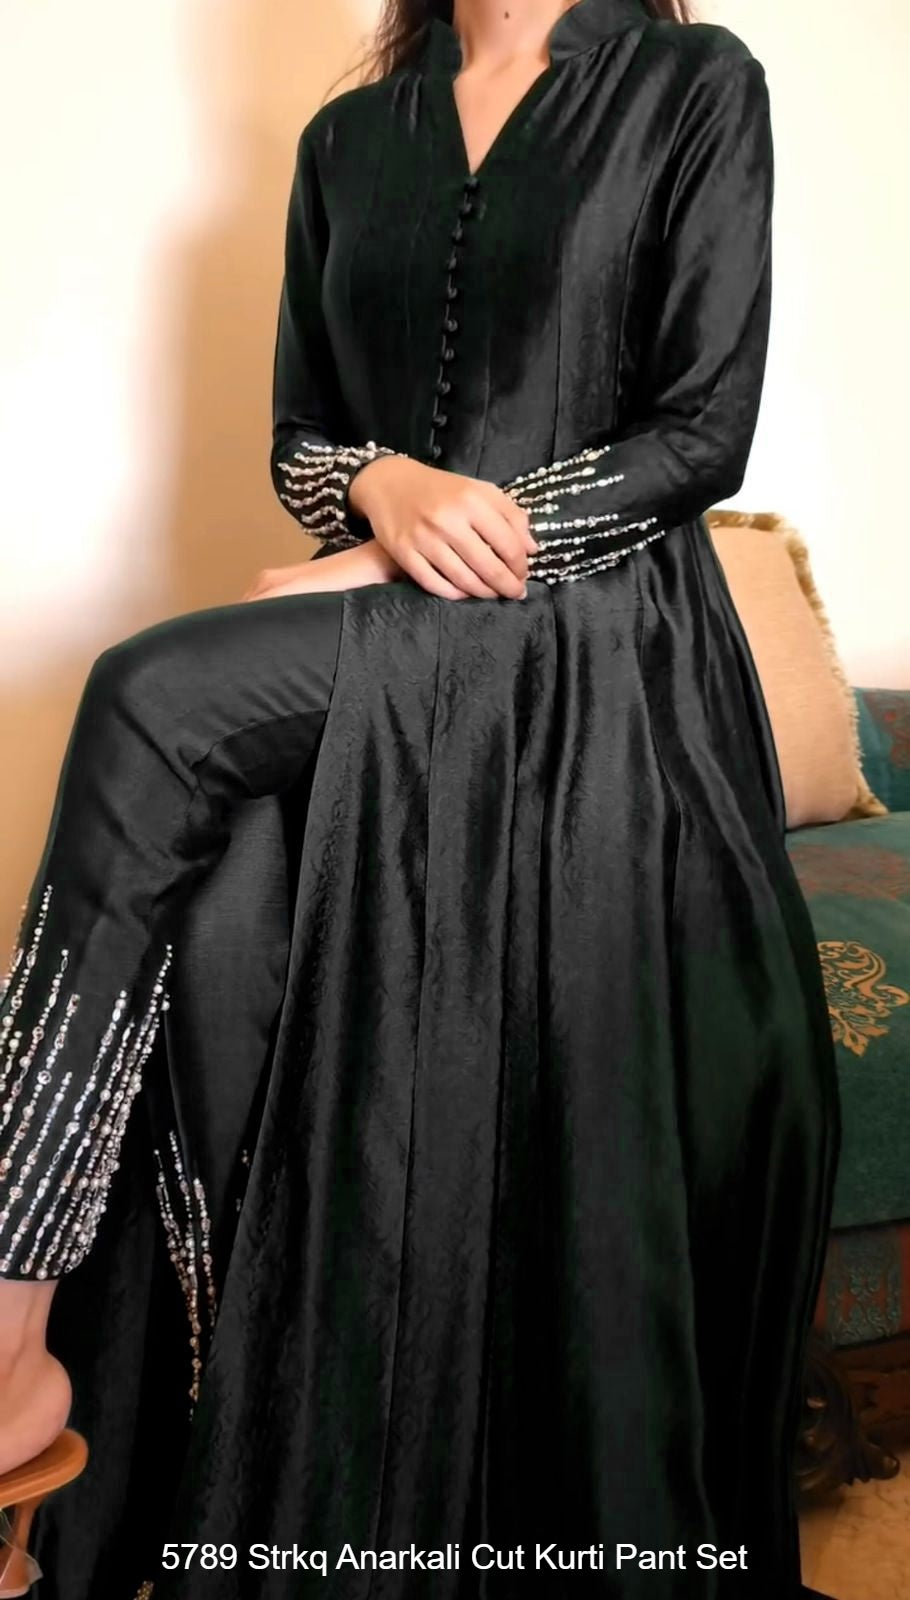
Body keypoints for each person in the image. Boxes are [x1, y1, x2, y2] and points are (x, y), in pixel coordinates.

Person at [0, 0, 840, 1595]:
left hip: (603, 640)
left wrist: (409, 552)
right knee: (220, 884)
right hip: (398, 633)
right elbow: (302, 442)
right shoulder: (346, 139)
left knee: (149, 692)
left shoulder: (693, 83)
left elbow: (697, 435)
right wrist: (377, 486)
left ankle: (6, 1325)